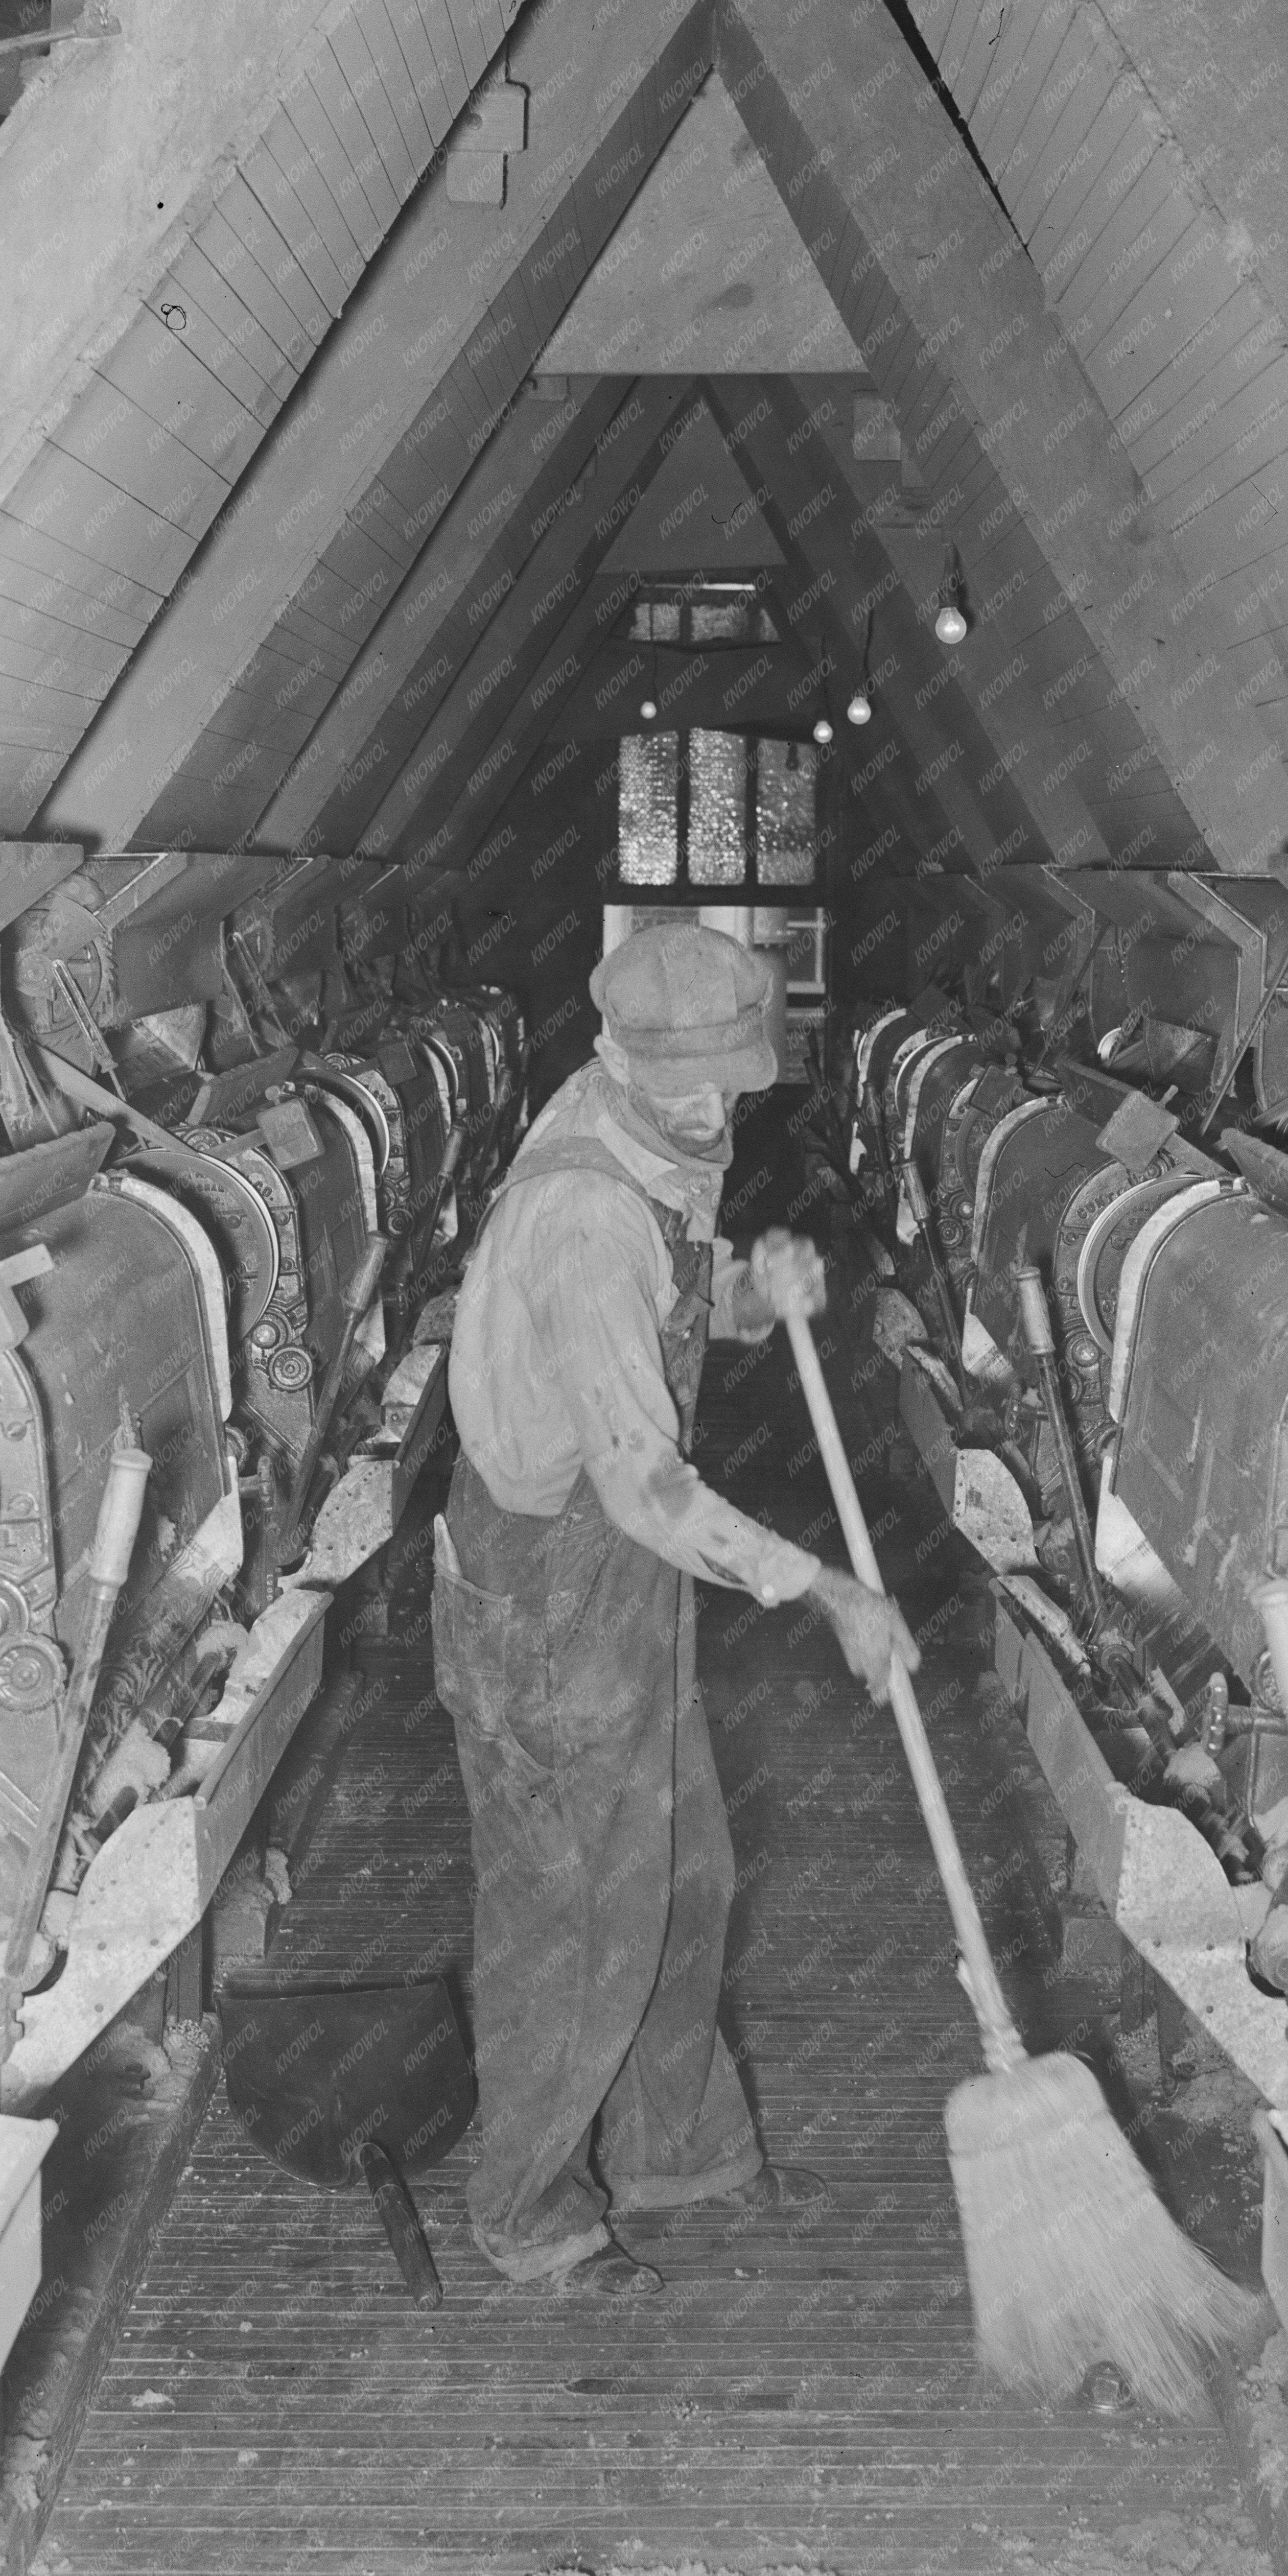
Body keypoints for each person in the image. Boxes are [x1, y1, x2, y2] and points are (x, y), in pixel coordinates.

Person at [436, 923, 921, 2295]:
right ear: (618, 1053)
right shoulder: (588, 1209)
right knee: (578, 1918)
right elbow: (647, 1484)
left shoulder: (627, 1127)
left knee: (685, 1877)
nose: (714, 1110)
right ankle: (530, 2217)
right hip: (552, 1588)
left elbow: (647, 1307)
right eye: (687, 1087)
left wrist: (743, 1306)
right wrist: (825, 1589)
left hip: (610, 1577)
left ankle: (678, 2151)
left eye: (731, 1080)